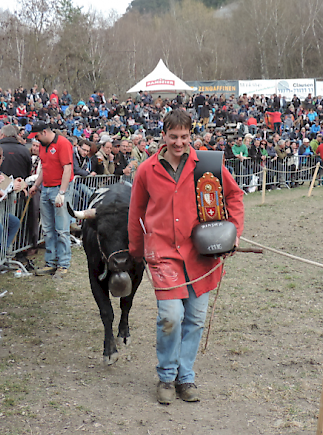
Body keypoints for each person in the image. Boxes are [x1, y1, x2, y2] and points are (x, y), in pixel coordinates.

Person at [128, 109, 244, 405]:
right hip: (163, 254)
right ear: (163, 136)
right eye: (173, 136)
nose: (179, 142)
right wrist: (135, 251)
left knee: (194, 318)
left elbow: (235, 196)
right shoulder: (146, 170)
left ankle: (185, 376)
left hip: (201, 254)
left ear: (190, 135)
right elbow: (136, 213)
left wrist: (234, 232)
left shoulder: (207, 163)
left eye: (184, 136)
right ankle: (166, 376)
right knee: (171, 316)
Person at [28, 121, 74, 277]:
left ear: (44, 132)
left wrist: (62, 192)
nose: (36, 139)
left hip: (58, 188)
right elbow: (44, 167)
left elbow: (67, 168)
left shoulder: (63, 143)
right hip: (46, 188)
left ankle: (63, 264)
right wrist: (36, 185)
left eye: (37, 136)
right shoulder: (42, 145)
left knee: (61, 229)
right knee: (48, 229)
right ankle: (51, 262)